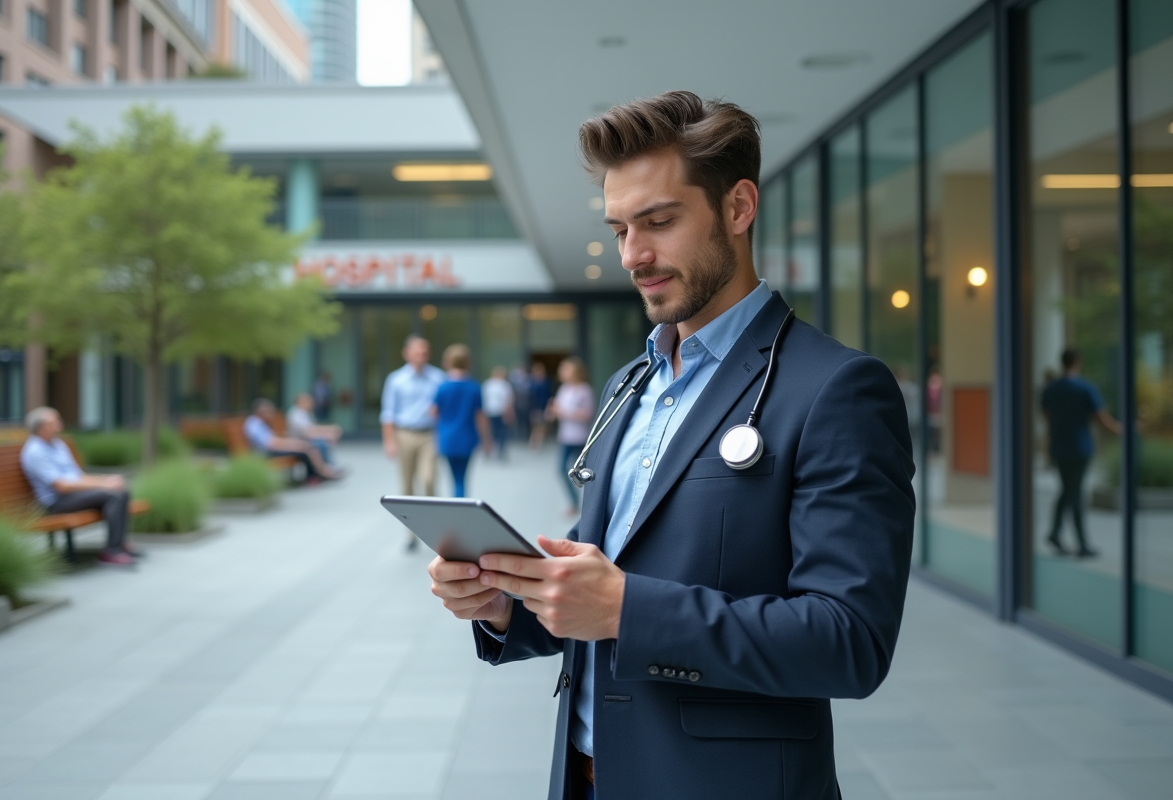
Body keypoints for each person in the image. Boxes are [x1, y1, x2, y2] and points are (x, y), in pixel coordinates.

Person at [427, 91, 915, 800]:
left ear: (739, 208)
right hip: (591, 777)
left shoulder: (836, 388)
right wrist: (507, 602)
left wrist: (628, 607)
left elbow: (849, 641)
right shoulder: (632, 382)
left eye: (658, 222)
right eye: (620, 228)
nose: (633, 255)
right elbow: (606, 576)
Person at [19, 407, 140, 566]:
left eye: (58, 421)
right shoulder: (35, 452)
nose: (59, 425)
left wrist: (107, 480)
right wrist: (104, 484)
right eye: (53, 422)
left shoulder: (58, 444)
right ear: (41, 428)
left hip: (72, 495)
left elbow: (79, 477)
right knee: (113, 496)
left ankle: (119, 544)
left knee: (120, 490)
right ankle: (112, 552)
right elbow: (61, 486)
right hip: (55, 503)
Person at [1040, 348, 1122, 558]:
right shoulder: (1085, 388)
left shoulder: (1051, 390)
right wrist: (1122, 430)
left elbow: (1047, 418)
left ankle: (1055, 533)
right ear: (1078, 361)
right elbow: (1101, 418)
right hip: (1079, 447)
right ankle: (1081, 543)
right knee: (1074, 492)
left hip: (1059, 447)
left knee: (1067, 490)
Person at [381, 335, 445, 550]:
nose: (421, 357)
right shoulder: (396, 379)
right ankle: (410, 535)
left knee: (428, 480)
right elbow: (388, 413)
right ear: (406, 353)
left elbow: (445, 409)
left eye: (424, 353)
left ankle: (435, 533)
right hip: (405, 434)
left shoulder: (438, 377)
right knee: (407, 486)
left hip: (429, 435)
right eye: (417, 353)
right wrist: (389, 441)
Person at [432, 344, 491, 497]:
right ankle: (460, 505)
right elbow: (480, 417)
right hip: (467, 438)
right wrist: (487, 440)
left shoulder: (443, 387)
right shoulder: (474, 387)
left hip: (448, 438)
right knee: (462, 479)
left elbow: (434, 412)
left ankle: (456, 506)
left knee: (454, 478)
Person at [244, 399, 342, 483]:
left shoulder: (258, 422)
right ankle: (322, 473)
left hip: (272, 449)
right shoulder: (254, 424)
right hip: (266, 453)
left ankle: (320, 473)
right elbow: (270, 443)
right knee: (306, 448)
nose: (271, 415)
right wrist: (293, 444)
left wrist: (293, 443)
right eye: (268, 412)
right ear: (259, 412)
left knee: (310, 446)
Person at [548, 357, 594, 515]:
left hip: (580, 438)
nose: (561, 372)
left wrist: (564, 413)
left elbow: (587, 414)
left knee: (587, 474)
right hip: (565, 437)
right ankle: (574, 502)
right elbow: (558, 411)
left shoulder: (584, 390)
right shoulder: (563, 389)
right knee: (562, 469)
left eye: (565, 369)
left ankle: (592, 504)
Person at [287, 393, 342, 466]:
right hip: (299, 440)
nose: (312, 404)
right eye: (309, 402)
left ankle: (329, 467)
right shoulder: (296, 414)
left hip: (305, 438)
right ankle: (328, 467)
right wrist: (327, 432)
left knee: (323, 440)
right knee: (321, 443)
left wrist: (328, 432)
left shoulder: (304, 413)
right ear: (301, 402)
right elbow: (306, 432)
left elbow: (311, 429)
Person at [481, 365, 515, 460]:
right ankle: (490, 450)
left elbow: (508, 400)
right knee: (491, 432)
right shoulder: (488, 384)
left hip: (500, 412)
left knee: (501, 432)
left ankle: (500, 451)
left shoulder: (504, 385)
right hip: (490, 412)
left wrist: (508, 412)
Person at [527, 361, 552, 449]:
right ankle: (533, 442)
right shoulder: (532, 383)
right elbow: (529, 396)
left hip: (543, 407)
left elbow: (548, 395)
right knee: (535, 426)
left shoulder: (545, 382)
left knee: (542, 426)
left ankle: (539, 442)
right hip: (534, 407)